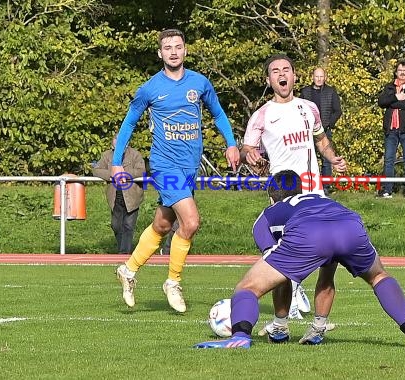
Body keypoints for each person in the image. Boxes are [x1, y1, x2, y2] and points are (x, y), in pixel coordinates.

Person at [194, 170, 405, 349]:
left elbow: (277, 272)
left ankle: (239, 337)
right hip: (349, 222)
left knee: (248, 288)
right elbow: (327, 275)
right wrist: (318, 325)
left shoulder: (269, 212)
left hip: (309, 231)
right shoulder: (321, 199)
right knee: (379, 276)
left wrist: (280, 321)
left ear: (271, 197)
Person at [112, 28, 240, 312]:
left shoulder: (199, 83)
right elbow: (129, 123)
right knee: (191, 222)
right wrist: (117, 161)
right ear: (160, 53)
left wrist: (231, 144)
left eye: (178, 47)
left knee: (163, 224)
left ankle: (128, 270)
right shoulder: (150, 89)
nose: (173, 51)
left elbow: (218, 113)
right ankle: (173, 282)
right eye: (167, 47)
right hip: (164, 165)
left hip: (189, 167)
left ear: (185, 50)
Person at [241, 54, 347, 341]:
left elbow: (321, 139)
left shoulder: (308, 107)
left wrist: (333, 157)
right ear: (269, 80)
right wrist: (250, 155)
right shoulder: (262, 114)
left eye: (286, 69)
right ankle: (280, 324)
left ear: (294, 76)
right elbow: (247, 148)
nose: (281, 74)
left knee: (329, 264)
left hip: (314, 193)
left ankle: (319, 325)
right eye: (275, 71)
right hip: (283, 198)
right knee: (280, 265)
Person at [93, 136, 145, 254]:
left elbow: (141, 171)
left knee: (128, 226)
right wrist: (112, 175)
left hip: (133, 197)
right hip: (115, 197)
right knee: (116, 225)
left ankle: (124, 253)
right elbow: (97, 170)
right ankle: (124, 251)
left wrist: (124, 174)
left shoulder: (135, 154)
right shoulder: (106, 155)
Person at [377, 60, 405, 198]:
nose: (402, 73)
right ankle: (387, 189)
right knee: (389, 159)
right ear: (396, 72)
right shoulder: (389, 87)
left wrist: (392, 103)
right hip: (391, 129)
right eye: (400, 70)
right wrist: (396, 97)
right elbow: (381, 102)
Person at [300, 67, 342, 190]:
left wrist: (328, 124)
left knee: (327, 159)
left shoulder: (331, 91)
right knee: (307, 159)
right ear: (312, 77)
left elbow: (337, 111)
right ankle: (307, 185)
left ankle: (326, 187)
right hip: (307, 130)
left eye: (321, 76)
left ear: (325, 78)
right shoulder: (305, 92)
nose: (319, 79)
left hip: (324, 130)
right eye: (316, 76)